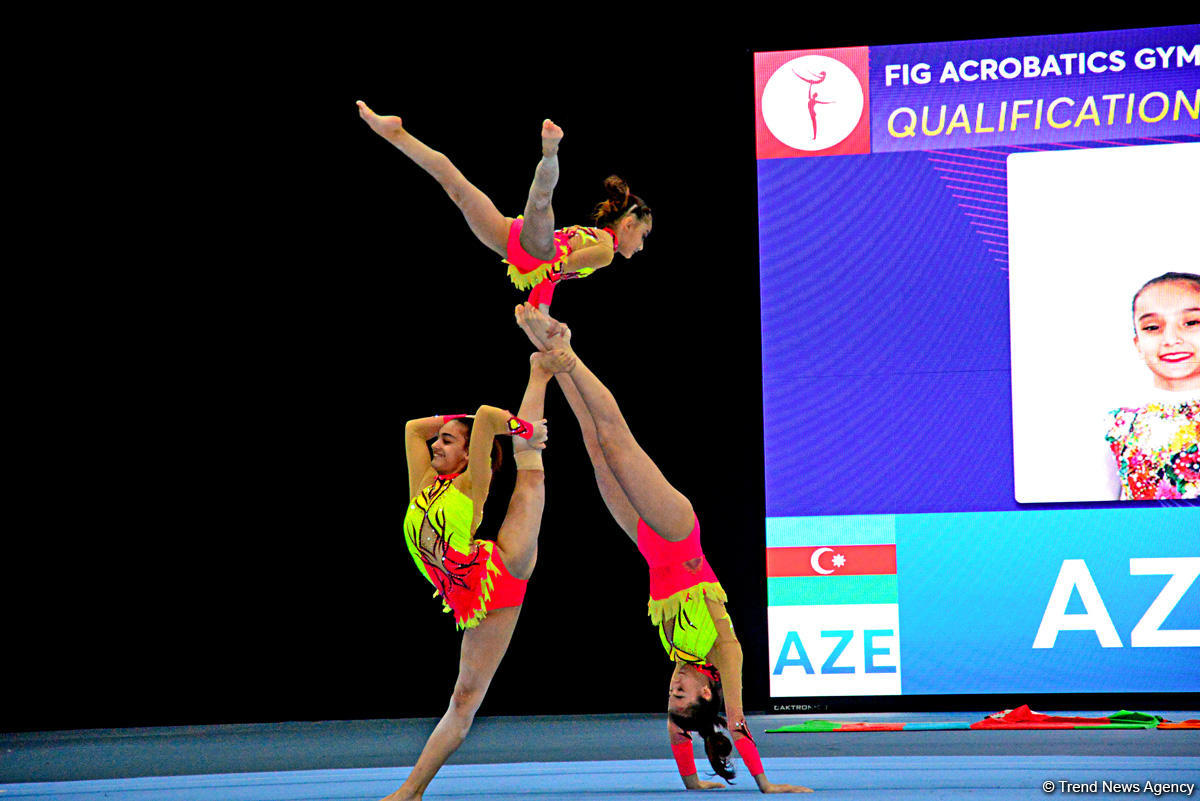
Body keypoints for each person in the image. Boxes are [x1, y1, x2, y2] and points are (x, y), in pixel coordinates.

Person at [515, 303, 812, 794]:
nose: (673, 690)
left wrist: (694, 782)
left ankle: (551, 351)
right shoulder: (723, 653)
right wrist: (766, 785)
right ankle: (568, 355)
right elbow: (738, 722)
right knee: (616, 441)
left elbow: (678, 732)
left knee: (594, 446)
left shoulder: (680, 660)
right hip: (676, 531)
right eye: (682, 695)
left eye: (671, 698)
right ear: (707, 691)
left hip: (644, 539)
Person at [388, 356, 552, 801]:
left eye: (448, 441)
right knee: (463, 701)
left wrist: (523, 430)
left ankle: (539, 373)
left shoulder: (470, 484)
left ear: (468, 454)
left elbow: (486, 416)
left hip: (500, 574)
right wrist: (452, 421)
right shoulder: (424, 483)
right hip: (473, 597)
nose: (436, 445)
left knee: (530, 478)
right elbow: (412, 428)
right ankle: (413, 792)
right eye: (438, 440)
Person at [357, 101, 652, 311]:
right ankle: (550, 151)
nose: (641, 245)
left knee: (458, 189)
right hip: (539, 250)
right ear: (628, 224)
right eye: (643, 235)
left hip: (513, 241)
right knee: (540, 202)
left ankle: (395, 134)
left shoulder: (598, 240)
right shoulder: (605, 252)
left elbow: (554, 275)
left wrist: (540, 316)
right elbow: (553, 271)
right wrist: (543, 318)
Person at [1106, 272, 1200, 500]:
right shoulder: (1117, 422)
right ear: (1138, 343)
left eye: (1191, 323)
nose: (1170, 339)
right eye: (1152, 327)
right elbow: (1095, 506)